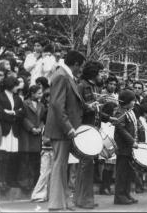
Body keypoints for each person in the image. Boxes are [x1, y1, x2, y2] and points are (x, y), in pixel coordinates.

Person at [44, 50, 86, 211]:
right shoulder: (61, 76)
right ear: (75, 64)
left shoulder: (65, 75)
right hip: (61, 130)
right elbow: (57, 105)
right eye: (80, 67)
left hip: (63, 129)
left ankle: (61, 202)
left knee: (62, 166)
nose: (81, 70)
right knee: (59, 165)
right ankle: (55, 204)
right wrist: (68, 128)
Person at [73, 61, 105, 209]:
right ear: (94, 74)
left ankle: (83, 199)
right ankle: (84, 200)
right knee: (86, 165)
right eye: (100, 72)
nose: (103, 75)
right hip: (85, 130)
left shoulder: (93, 87)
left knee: (87, 166)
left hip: (92, 129)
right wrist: (91, 107)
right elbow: (77, 108)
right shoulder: (82, 86)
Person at [0, 76, 24, 192]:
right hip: (5, 130)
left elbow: (22, 113)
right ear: (11, 85)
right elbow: (1, 114)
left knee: (13, 156)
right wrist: (15, 113)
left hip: (14, 130)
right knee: (3, 156)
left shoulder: (17, 98)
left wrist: (11, 112)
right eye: (15, 85)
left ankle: (9, 180)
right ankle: (1, 180)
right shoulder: (0, 97)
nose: (17, 87)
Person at [113, 89, 139, 205]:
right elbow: (120, 129)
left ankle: (126, 193)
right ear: (127, 101)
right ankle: (119, 196)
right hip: (123, 147)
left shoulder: (128, 110)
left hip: (129, 147)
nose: (134, 102)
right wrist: (132, 141)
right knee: (122, 172)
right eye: (133, 100)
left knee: (128, 172)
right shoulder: (120, 112)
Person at [18, 85, 46, 192]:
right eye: (38, 93)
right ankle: (24, 183)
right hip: (26, 135)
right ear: (32, 93)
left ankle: (34, 183)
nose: (41, 95)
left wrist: (40, 127)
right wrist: (31, 128)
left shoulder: (42, 105)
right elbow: (23, 118)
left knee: (35, 160)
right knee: (25, 159)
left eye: (41, 93)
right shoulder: (25, 103)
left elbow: (43, 119)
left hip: (37, 135)